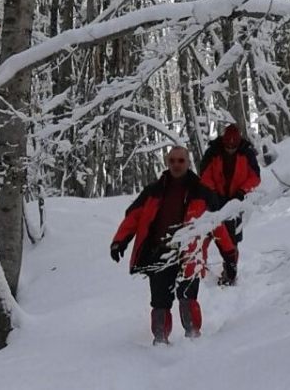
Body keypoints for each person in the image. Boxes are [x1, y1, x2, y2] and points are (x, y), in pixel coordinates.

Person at [110, 146, 238, 345]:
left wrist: (229, 255)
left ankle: (194, 339)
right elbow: (133, 217)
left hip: (190, 254)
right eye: (172, 161)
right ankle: (160, 341)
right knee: (159, 302)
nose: (176, 165)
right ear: (167, 163)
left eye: (181, 160)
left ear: (188, 162)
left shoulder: (203, 193)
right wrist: (119, 241)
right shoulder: (153, 191)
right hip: (159, 253)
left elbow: (218, 226)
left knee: (188, 297)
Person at [198, 124, 260, 286]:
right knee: (204, 236)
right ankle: (199, 272)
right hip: (213, 202)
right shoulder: (213, 151)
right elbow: (204, 175)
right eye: (227, 147)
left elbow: (255, 177)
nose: (230, 150)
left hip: (235, 203)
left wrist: (241, 191)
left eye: (233, 147)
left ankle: (229, 274)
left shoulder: (247, 153)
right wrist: (213, 194)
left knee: (232, 241)